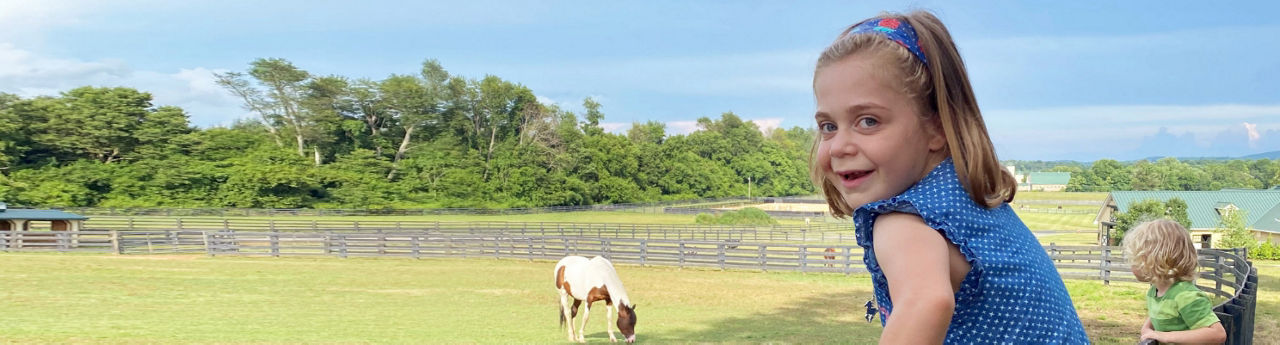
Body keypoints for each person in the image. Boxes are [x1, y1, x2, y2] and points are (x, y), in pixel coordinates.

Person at [809, 10, 1088, 343]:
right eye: (828, 126)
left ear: (936, 127)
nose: (839, 146)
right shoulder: (969, 205)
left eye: (868, 121)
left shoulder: (905, 219)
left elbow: (926, 302)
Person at [1124, 219, 1227, 344]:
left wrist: (1164, 336)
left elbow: (1217, 334)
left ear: (1157, 260)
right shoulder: (1155, 291)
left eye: (1136, 260)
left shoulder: (1185, 295)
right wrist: (1146, 328)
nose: (1132, 266)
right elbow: (1160, 313)